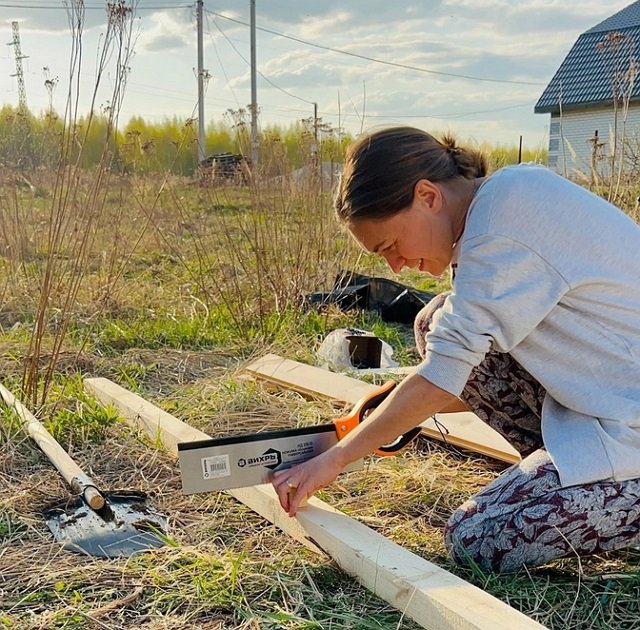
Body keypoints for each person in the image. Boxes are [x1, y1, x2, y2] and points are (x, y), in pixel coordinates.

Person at [272, 126, 640, 573]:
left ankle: (607, 492)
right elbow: (457, 368)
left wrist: (337, 458)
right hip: (606, 404)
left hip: (628, 424)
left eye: (390, 245)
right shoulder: (501, 202)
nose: (396, 265)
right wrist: (392, 407)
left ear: (427, 196)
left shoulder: (504, 227)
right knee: (435, 321)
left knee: (476, 539)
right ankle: (573, 483)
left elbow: (442, 374)